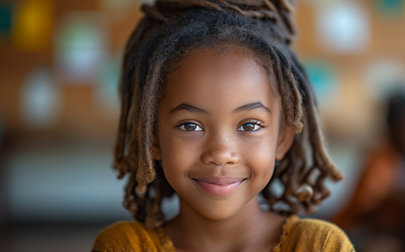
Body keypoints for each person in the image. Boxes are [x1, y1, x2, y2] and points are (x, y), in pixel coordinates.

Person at [92, 1, 354, 251]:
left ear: (283, 139)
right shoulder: (124, 247)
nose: (220, 152)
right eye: (190, 126)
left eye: (250, 125)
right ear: (152, 139)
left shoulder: (319, 246)